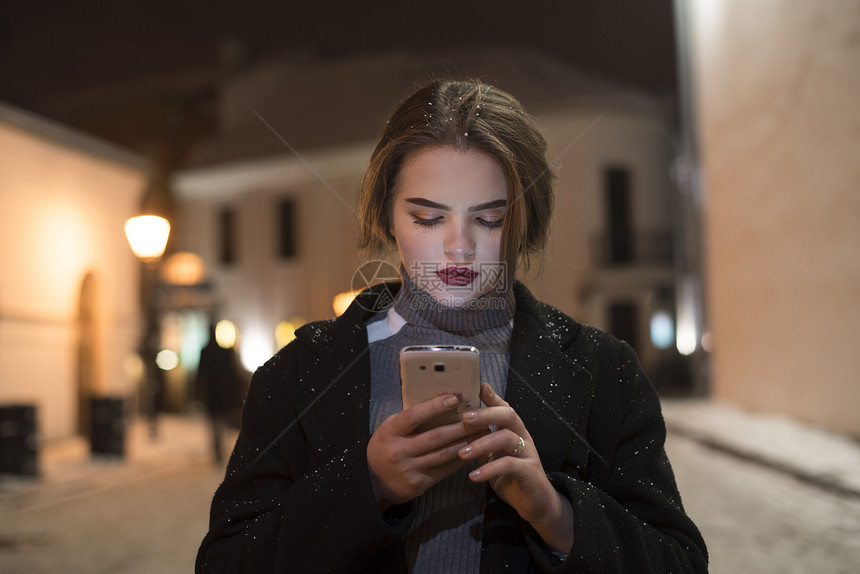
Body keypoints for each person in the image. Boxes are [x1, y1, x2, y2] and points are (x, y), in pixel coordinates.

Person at [196, 79, 708, 573]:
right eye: (427, 218)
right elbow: (226, 563)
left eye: (489, 219)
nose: (459, 246)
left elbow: (678, 562)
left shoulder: (605, 372)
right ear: (386, 217)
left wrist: (555, 514)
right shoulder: (296, 375)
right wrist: (368, 486)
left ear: (525, 221)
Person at [196, 322, 243, 464]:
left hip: (212, 394)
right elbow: (232, 374)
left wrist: (199, 392)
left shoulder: (205, 352)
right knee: (221, 421)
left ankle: (217, 448)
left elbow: (201, 375)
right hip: (222, 394)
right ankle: (219, 448)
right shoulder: (224, 352)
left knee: (215, 422)